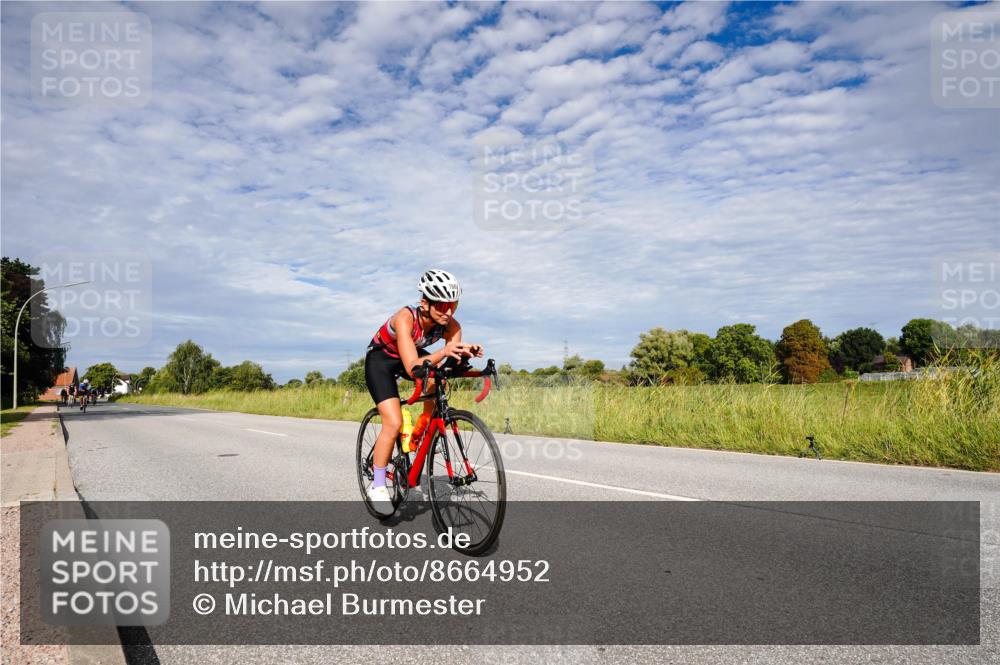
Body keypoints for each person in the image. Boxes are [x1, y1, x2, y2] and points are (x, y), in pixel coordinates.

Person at [364, 269, 483, 515]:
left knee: (437, 382)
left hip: (413, 357)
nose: (448, 311)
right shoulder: (405, 318)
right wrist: (444, 353)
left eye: (453, 304)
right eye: (442, 305)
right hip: (382, 362)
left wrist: (464, 353)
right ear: (424, 303)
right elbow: (412, 366)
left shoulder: (451, 325)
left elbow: (448, 360)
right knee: (393, 421)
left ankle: (421, 431)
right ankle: (377, 485)